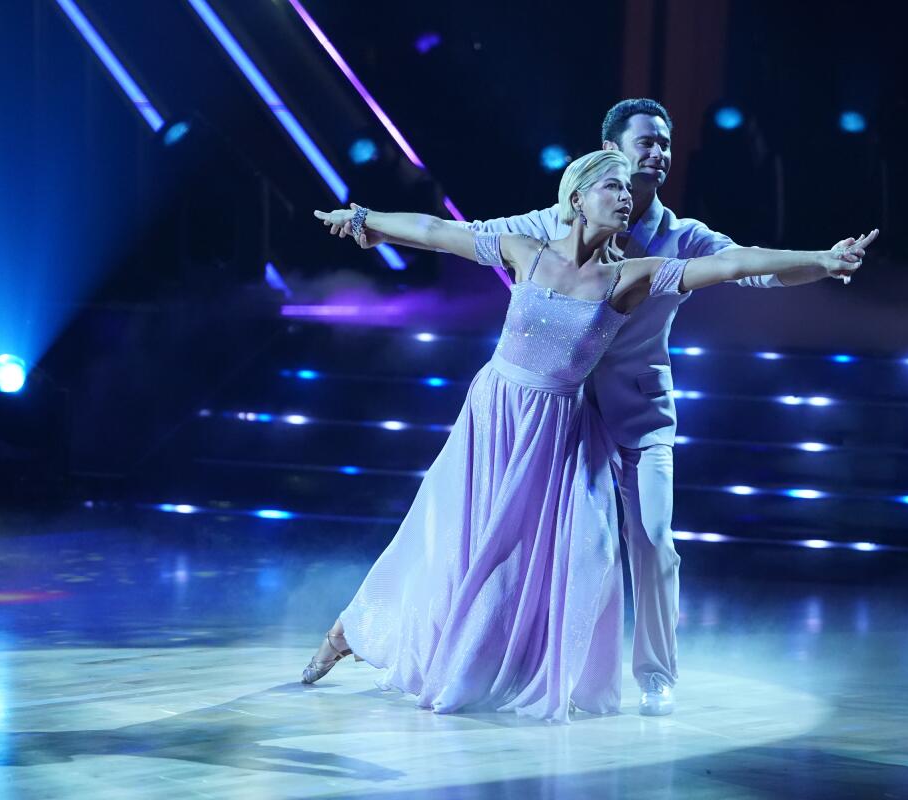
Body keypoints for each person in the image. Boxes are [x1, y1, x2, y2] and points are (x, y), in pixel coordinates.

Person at [343, 98, 878, 715]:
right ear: (607, 155)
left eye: (666, 143)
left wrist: (820, 260)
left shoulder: (681, 239)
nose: (659, 153)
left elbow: (742, 266)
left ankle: (655, 672)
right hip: (559, 424)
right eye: (645, 142)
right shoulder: (551, 225)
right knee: (554, 548)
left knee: (653, 539)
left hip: (638, 415)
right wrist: (369, 220)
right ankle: (513, 658)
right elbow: (451, 235)